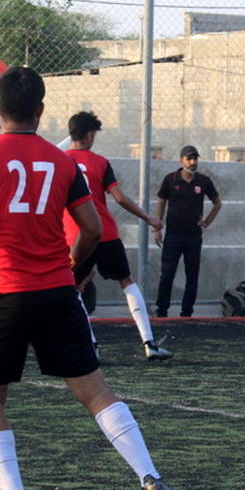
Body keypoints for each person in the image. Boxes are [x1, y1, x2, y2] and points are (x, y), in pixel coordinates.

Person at [0, 66, 182, 490]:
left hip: (4, 291)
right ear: (40, 109)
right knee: (95, 393)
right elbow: (91, 228)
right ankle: (149, 475)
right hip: (58, 290)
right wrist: (70, 267)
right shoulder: (64, 162)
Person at [64, 111, 173, 361]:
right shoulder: (100, 162)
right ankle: (149, 342)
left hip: (77, 237)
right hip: (105, 233)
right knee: (127, 281)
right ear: (89, 135)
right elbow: (120, 198)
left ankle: (91, 346)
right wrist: (149, 218)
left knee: (72, 289)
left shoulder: (59, 161)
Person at [153, 145, 222, 318]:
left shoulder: (203, 181)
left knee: (192, 277)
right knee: (167, 275)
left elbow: (217, 203)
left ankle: (187, 312)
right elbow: (161, 202)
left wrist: (207, 221)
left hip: (193, 237)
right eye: (189, 158)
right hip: (173, 236)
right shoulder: (170, 179)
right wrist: (157, 228)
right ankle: (162, 311)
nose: (192, 162)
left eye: (195, 158)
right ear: (181, 160)